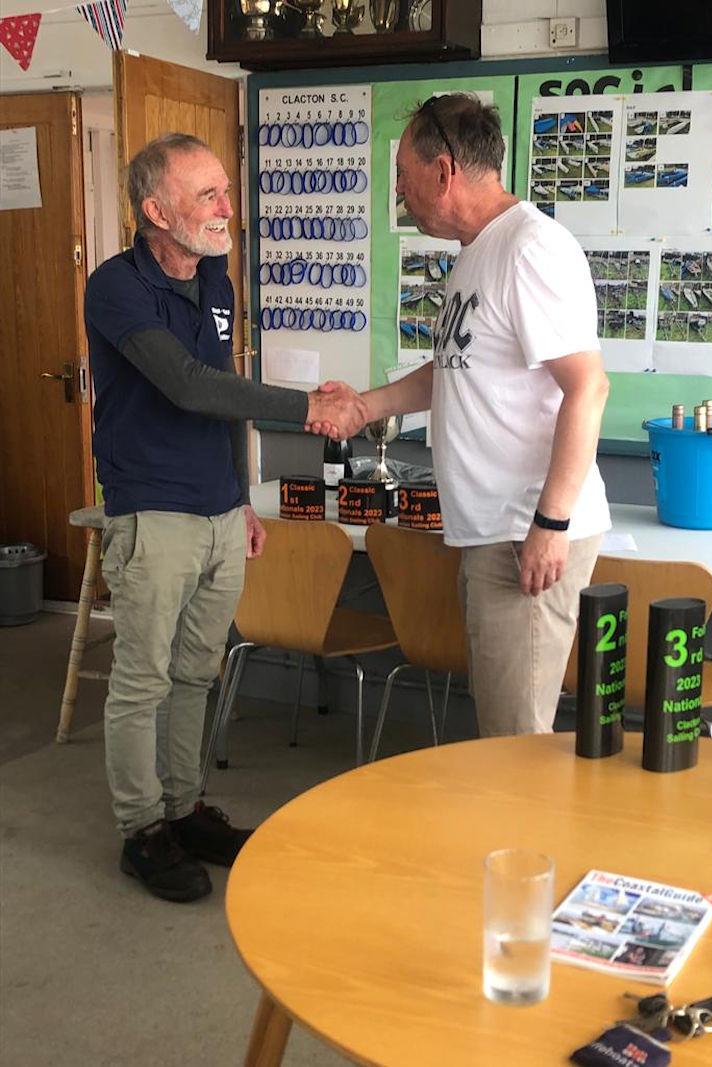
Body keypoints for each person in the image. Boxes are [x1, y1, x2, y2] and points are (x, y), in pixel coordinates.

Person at [85, 132, 365, 902]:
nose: (226, 209)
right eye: (206, 194)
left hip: (217, 513)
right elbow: (186, 385)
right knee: (141, 680)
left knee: (195, 672)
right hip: (154, 513)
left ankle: (183, 808)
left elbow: (224, 393)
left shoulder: (218, 281)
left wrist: (242, 495)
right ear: (155, 209)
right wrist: (309, 407)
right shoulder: (115, 288)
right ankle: (142, 829)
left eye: (223, 192)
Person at [351, 93, 611, 737]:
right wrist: (366, 405)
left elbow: (589, 388)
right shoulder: (479, 251)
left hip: (526, 531)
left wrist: (550, 522)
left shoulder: (530, 248)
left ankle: (523, 842)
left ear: (444, 171)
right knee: (502, 733)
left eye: (405, 177)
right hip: (491, 531)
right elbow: (455, 371)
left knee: (515, 743)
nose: (401, 194)